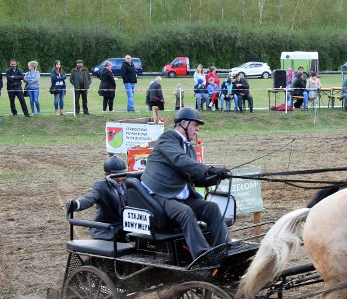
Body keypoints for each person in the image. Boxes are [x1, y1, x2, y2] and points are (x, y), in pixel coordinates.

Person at [140, 107, 231, 261]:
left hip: (180, 195)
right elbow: (180, 160)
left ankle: (225, 248)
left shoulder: (190, 150)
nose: (197, 129)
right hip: (161, 195)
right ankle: (203, 256)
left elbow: (196, 178)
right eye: (195, 125)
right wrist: (209, 169)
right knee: (186, 212)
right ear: (183, 123)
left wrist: (217, 176)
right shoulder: (167, 138)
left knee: (212, 208)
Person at [66, 156, 129, 241]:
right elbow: (90, 198)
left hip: (127, 228)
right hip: (106, 230)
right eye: (116, 175)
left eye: (122, 175)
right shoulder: (101, 186)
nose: (119, 178)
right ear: (107, 174)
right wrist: (76, 204)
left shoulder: (128, 182)